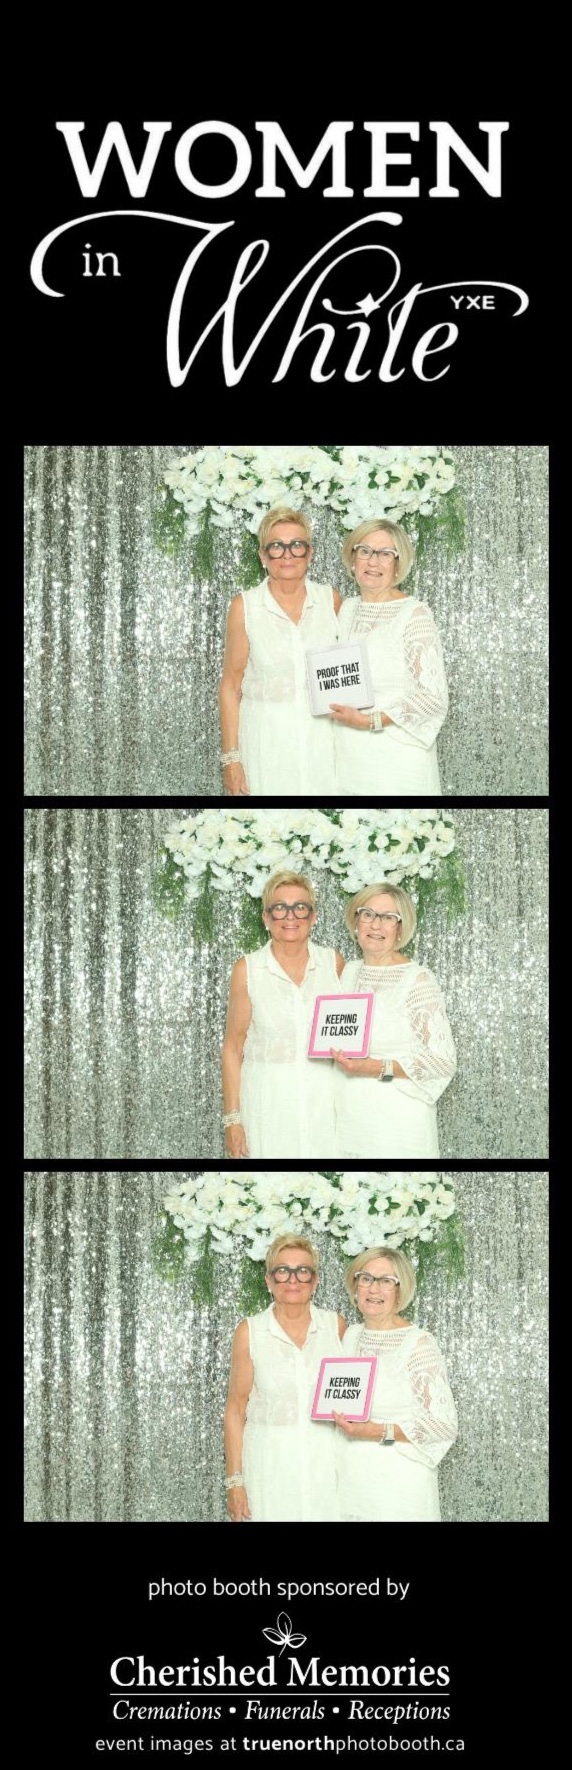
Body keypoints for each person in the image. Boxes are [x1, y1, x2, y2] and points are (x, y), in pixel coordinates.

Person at [218, 506, 341, 797]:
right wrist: (231, 759)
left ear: (310, 554)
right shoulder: (245, 606)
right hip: (266, 745)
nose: (287, 554)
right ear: (263, 556)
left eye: (297, 545)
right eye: (276, 546)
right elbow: (231, 686)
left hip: (324, 746)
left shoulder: (331, 601)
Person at [222, 870, 344, 1158]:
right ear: (266, 918)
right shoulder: (248, 969)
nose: (290, 916)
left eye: (300, 907)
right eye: (279, 908)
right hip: (267, 1108)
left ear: (313, 917)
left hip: (325, 1109)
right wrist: (232, 1120)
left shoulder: (334, 964)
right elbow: (232, 1048)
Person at [224, 1234, 345, 1522]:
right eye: (282, 1271)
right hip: (269, 1469)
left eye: (303, 1271)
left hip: (327, 1470)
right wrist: (235, 1482)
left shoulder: (336, 1327)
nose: (293, 1279)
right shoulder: (250, 1331)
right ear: (268, 1280)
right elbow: (236, 1409)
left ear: (315, 1281)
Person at [333, 1246, 457, 1521]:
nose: (373, 1288)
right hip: (349, 1484)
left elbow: (442, 1427)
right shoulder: (349, 1336)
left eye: (386, 1281)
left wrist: (376, 1431)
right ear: (355, 1286)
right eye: (366, 1278)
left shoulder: (418, 1344)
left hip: (398, 1486)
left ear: (400, 1291)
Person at [332, 884, 456, 1158]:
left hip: (398, 1125)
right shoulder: (348, 973)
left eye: (388, 917)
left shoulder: (417, 980)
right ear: (356, 921)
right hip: (348, 1122)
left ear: (401, 928)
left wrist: (376, 1067)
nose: (376, 925)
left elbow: (442, 1061)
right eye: (368, 914)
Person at [329, 519, 448, 794]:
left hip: (398, 759)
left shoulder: (414, 614)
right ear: (353, 559)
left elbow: (433, 697)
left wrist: (370, 721)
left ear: (397, 564)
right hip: (347, 760)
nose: (373, 561)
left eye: (385, 553)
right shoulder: (346, 610)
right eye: (365, 551)